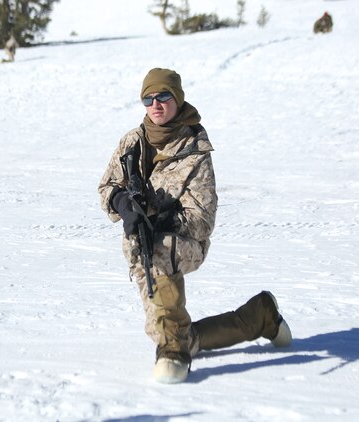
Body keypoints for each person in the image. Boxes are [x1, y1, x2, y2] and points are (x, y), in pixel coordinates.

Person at [98, 68, 292, 384]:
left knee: (166, 307)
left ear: (177, 98)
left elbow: (201, 219)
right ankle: (259, 316)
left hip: (183, 242)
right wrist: (123, 204)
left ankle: (175, 354)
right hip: (140, 244)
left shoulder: (195, 150)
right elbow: (107, 185)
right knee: (163, 329)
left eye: (163, 96)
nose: (155, 104)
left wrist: (159, 220)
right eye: (148, 98)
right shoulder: (132, 142)